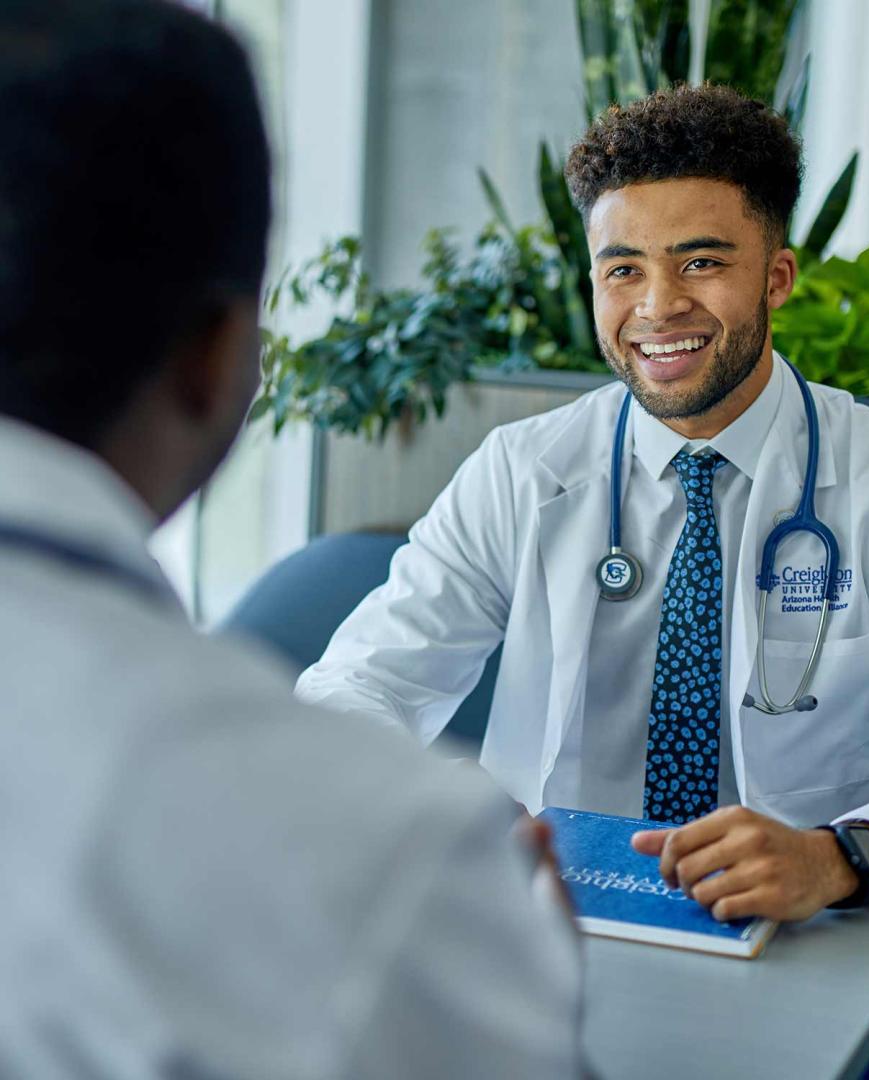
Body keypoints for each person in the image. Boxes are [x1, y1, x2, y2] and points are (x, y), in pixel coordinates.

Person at [297, 84, 869, 1079]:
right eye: (624, 269)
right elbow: (359, 689)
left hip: (834, 932)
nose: (659, 308)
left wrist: (837, 857)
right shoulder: (522, 473)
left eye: (703, 261)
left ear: (777, 276)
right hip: (555, 924)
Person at [0, 2, 584, 1077]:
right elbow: (372, 673)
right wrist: (499, 938)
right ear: (220, 354)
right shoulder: (381, 854)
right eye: (622, 269)